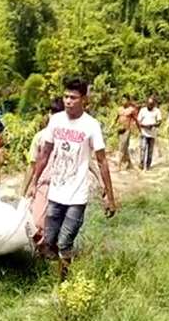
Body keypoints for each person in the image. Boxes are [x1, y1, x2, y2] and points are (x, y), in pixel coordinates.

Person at [27, 77, 117, 281]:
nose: (68, 101)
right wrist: (34, 183)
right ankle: (44, 273)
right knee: (49, 241)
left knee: (64, 242)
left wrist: (109, 196)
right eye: (66, 96)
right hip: (55, 192)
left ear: (84, 99)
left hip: (77, 196)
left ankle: (64, 282)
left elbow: (102, 161)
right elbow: (45, 153)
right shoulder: (56, 120)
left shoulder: (91, 125)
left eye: (73, 97)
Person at [21, 98, 65, 246]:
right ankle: (41, 254)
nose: (54, 117)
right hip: (43, 184)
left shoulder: (68, 138)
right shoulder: (40, 137)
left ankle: (54, 252)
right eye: (52, 113)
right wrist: (24, 190)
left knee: (57, 221)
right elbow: (32, 165)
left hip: (62, 185)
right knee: (37, 221)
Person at [137, 95, 162, 170]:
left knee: (150, 151)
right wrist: (143, 125)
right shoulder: (142, 110)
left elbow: (159, 121)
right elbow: (138, 121)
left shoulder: (157, 111)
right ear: (146, 103)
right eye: (148, 104)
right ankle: (141, 164)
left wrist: (153, 125)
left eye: (151, 104)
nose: (150, 105)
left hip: (152, 133)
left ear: (154, 104)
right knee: (143, 148)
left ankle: (148, 165)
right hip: (144, 132)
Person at [114, 96, 139, 170]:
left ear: (128, 101)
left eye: (124, 99)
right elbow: (116, 118)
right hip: (120, 130)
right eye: (122, 99)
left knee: (122, 147)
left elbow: (136, 120)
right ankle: (129, 163)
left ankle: (119, 165)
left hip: (127, 130)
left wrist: (139, 129)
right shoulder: (119, 109)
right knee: (124, 147)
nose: (123, 101)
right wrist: (112, 126)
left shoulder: (131, 110)